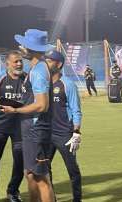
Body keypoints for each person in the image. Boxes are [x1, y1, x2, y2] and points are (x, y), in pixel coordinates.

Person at [2, 29, 55, 202]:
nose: (20, 47)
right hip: (30, 131)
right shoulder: (35, 68)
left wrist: (15, 110)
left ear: (30, 48)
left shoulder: (39, 71)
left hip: (36, 130)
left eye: (23, 45)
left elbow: (42, 105)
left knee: (41, 179)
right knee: (30, 174)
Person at [0, 51, 25, 202]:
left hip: (20, 128)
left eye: (21, 61)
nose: (19, 64)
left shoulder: (27, 79)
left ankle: (13, 191)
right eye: (16, 61)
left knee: (20, 161)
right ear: (7, 63)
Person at [44, 51, 82, 202]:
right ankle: (51, 198)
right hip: (46, 134)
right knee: (44, 169)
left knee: (72, 169)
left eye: (50, 60)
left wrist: (76, 132)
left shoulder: (68, 84)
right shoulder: (43, 84)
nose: (46, 63)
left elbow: (76, 110)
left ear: (58, 64)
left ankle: (77, 199)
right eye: (46, 60)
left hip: (64, 135)